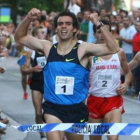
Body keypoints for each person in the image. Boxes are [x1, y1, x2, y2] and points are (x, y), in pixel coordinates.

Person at [15, 8, 119, 140]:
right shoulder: (48, 47)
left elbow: (113, 48)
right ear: (56, 28)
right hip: (53, 108)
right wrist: (29, 18)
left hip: (76, 109)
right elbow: (19, 37)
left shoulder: (83, 48)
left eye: (68, 24)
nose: (64, 26)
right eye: (60, 23)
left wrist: (98, 23)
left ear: (75, 29)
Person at [87, 19, 132, 140]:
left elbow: (128, 73)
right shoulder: (89, 53)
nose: (102, 34)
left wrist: (126, 84)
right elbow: (78, 75)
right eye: (99, 31)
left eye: (106, 30)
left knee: (113, 138)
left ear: (110, 33)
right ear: (94, 34)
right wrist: (85, 77)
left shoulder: (119, 53)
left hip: (113, 100)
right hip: (94, 100)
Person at [21, 26, 46, 140]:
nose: (44, 35)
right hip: (36, 84)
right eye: (41, 33)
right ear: (36, 36)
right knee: (38, 112)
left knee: (52, 113)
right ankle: (42, 135)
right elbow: (24, 70)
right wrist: (32, 69)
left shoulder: (50, 48)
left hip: (49, 84)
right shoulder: (30, 52)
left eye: (44, 33)